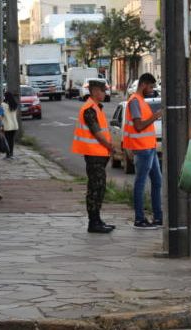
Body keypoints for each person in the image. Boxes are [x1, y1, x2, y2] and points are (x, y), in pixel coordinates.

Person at [70, 80, 116, 234]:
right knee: (95, 188)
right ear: (96, 91)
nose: (105, 93)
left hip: (99, 155)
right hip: (94, 154)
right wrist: (110, 146)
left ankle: (97, 219)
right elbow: (97, 133)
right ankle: (93, 222)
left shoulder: (96, 108)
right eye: (103, 91)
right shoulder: (89, 109)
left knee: (100, 187)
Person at [125, 73, 163, 229]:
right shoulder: (134, 101)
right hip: (142, 148)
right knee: (140, 183)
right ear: (143, 85)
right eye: (151, 86)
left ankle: (158, 217)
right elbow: (138, 126)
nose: (152, 90)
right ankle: (139, 219)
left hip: (150, 148)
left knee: (157, 181)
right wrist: (155, 117)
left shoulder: (141, 101)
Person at [2, 91, 19, 159]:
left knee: (7, 140)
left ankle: (7, 154)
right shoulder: (15, 105)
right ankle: (11, 153)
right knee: (11, 140)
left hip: (6, 126)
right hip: (14, 125)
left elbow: (0, 115)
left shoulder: (3, 105)